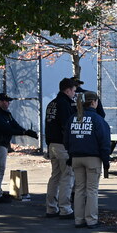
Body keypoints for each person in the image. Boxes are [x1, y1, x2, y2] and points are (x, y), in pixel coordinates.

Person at [65, 92, 111, 229]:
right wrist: (106, 160)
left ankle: (78, 219)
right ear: (94, 102)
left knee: (79, 189)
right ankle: (91, 220)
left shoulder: (73, 118)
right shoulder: (97, 119)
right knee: (91, 190)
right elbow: (104, 142)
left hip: (76, 158)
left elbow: (66, 140)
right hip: (92, 158)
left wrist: (71, 153)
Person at [0, 93, 38, 203]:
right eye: (6, 101)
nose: (8, 103)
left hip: (3, 144)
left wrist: (26, 131)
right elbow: (6, 129)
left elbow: (14, 125)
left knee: (0, 169)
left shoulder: (6, 113)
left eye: (8, 101)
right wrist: (22, 132)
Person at [44, 78, 77, 218]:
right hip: (63, 145)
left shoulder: (52, 103)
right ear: (68, 90)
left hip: (52, 144)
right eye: (74, 91)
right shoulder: (64, 104)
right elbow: (67, 126)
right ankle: (65, 209)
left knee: (55, 176)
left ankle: (51, 208)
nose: (74, 94)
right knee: (67, 176)